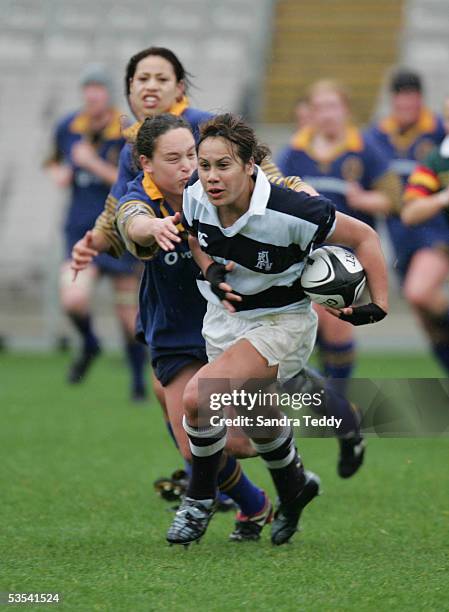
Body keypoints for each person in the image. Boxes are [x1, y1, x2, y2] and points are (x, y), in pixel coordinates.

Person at [166, 113, 388, 546]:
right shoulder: (194, 193)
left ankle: (198, 500)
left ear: (250, 165)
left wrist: (378, 304)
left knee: (198, 397)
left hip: (281, 323)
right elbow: (194, 238)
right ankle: (294, 489)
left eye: (224, 165)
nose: (211, 176)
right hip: (225, 319)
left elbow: (363, 237)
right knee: (256, 424)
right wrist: (211, 272)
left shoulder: (293, 211)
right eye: (205, 165)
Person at [277, 80, 400, 392]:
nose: (328, 114)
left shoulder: (364, 149)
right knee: (313, 324)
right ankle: (333, 399)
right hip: (304, 254)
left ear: (345, 110)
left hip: (348, 254)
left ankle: (337, 396)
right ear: (310, 113)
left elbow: (394, 199)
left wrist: (365, 200)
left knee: (334, 321)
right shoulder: (294, 151)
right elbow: (273, 195)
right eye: (320, 108)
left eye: (333, 107)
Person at [45, 63, 147, 400]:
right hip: (79, 230)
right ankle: (89, 344)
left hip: (118, 232)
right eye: (87, 88)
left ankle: (137, 384)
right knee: (73, 299)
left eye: (98, 88)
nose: (92, 95)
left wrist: (91, 163)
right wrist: (59, 171)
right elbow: (53, 160)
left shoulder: (128, 132)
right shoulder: (68, 127)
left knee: (128, 317)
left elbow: (132, 182)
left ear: (108, 93)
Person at [365, 70, 449, 374]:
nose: (406, 108)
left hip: (435, 229)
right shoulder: (376, 136)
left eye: (412, 101)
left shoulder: (438, 129)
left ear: (420, 100)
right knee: (424, 315)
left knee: (419, 291)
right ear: (392, 102)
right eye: (401, 102)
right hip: (400, 234)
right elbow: (367, 180)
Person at [401, 95, 449, 367]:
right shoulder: (437, 160)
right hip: (443, 242)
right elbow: (410, 212)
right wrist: (442, 198)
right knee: (418, 294)